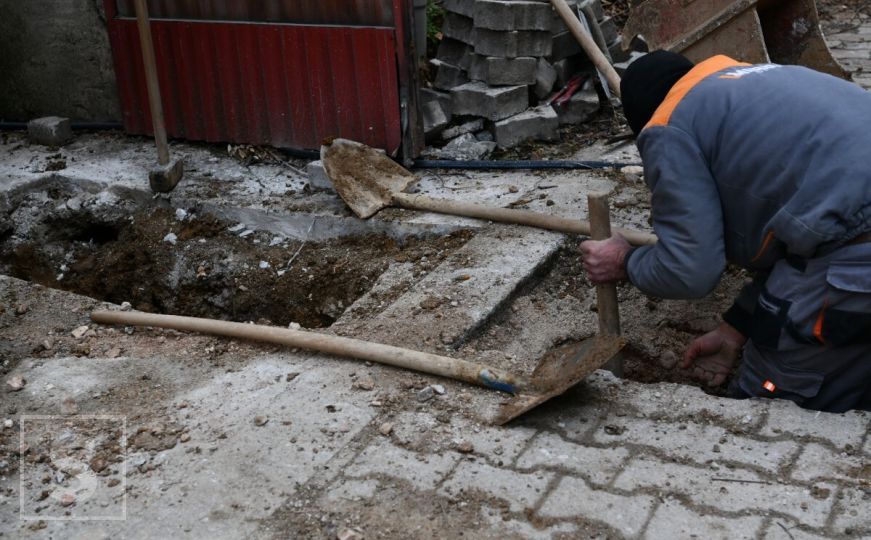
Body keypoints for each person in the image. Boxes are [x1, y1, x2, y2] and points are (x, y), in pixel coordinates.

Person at [580, 50, 871, 413]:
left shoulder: (669, 125)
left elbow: (689, 271)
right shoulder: (753, 81)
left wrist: (625, 260)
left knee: (770, 393)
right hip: (850, 227)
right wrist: (736, 328)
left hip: (857, 246)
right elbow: (791, 247)